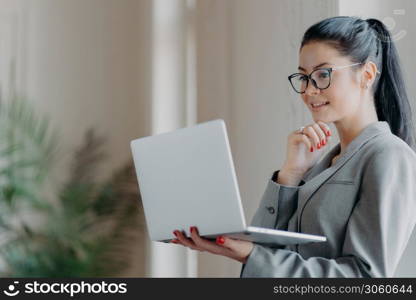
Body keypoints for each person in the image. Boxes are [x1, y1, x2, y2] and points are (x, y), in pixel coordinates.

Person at [170, 16, 416, 277]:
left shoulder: (388, 156)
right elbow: (265, 252)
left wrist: (250, 254)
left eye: (323, 74)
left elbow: (365, 278)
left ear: (366, 75)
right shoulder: (319, 165)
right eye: (303, 77)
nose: (308, 90)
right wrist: (290, 176)